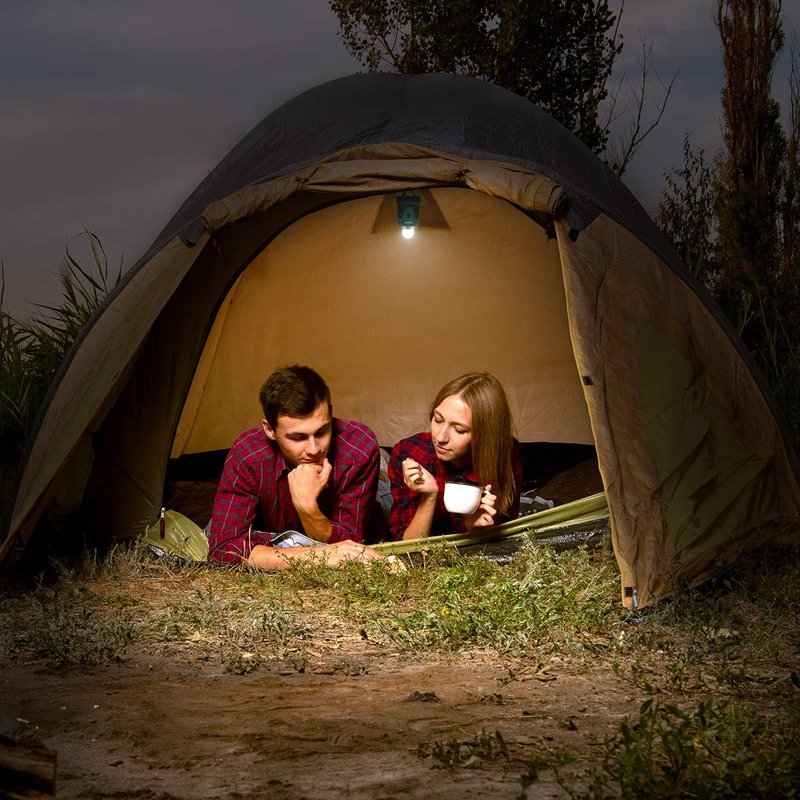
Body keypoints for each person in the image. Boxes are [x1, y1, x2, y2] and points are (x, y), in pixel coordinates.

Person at [208, 364, 384, 568]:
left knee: (383, 503)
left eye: (322, 432)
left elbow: (352, 546)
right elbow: (223, 550)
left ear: (330, 413)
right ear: (270, 430)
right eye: (298, 437)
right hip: (276, 527)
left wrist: (307, 508)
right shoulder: (248, 454)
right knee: (213, 528)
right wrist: (317, 556)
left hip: (375, 497)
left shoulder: (359, 448)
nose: (314, 449)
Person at [388, 372, 522, 540]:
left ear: (485, 435)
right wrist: (429, 496)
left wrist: (472, 528)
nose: (440, 437)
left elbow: (507, 535)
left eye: (459, 430)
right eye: (438, 420)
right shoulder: (411, 452)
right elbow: (405, 544)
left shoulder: (505, 454)